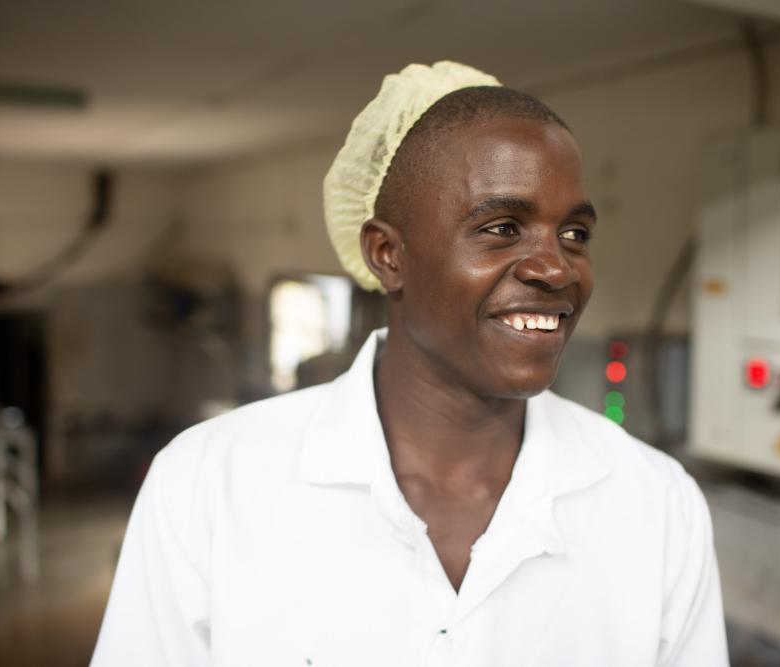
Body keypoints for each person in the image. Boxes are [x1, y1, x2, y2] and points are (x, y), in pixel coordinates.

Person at [91, 61, 728, 666]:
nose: (556, 267)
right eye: (502, 227)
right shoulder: (211, 484)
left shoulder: (654, 504)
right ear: (388, 255)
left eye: (574, 234)